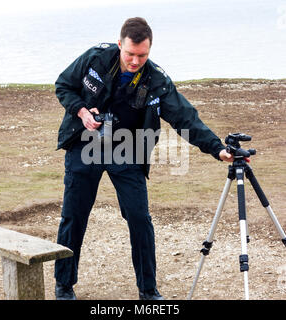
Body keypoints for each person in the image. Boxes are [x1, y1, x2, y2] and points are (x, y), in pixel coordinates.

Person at [54, 17, 233, 300]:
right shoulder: (95, 57)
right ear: (119, 44)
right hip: (84, 144)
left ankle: (148, 291)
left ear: (149, 50)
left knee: (139, 218)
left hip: (127, 150)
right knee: (74, 216)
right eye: (130, 54)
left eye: (142, 55)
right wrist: (82, 111)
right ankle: (64, 285)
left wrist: (218, 149)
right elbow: (64, 85)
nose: (135, 61)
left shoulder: (156, 80)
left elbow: (185, 118)